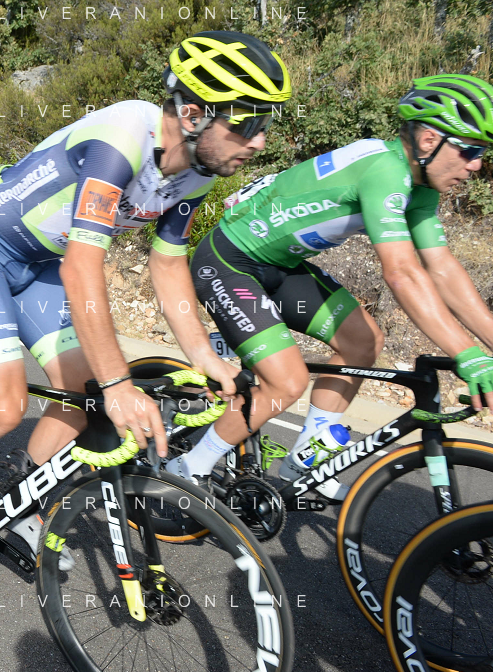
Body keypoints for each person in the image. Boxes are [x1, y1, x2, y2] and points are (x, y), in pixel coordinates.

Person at [0, 31, 290, 561]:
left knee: (82, 396)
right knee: (3, 409)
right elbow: (83, 266)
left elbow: (168, 265)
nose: (259, 141)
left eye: (264, 124)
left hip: (42, 263)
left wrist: (204, 356)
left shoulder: (197, 173)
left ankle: (21, 505)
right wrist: (121, 384)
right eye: (248, 122)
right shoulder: (124, 136)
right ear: (192, 114)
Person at [185, 73, 493, 500]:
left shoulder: (420, 186)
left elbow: (441, 268)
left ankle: (304, 461)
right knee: (286, 382)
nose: (476, 165)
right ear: (429, 140)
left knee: (362, 342)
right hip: (228, 261)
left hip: (279, 264)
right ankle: (188, 469)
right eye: (470, 150)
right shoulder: (385, 171)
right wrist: (467, 353)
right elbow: (403, 273)